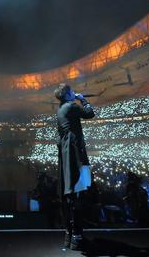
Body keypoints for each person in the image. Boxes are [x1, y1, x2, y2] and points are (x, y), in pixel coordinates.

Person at [54, 83, 95, 250]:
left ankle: (70, 236)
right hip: (75, 155)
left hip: (67, 154)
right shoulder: (71, 106)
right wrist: (83, 100)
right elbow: (90, 114)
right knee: (78, 193)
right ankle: (77, 237)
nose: (74, 93)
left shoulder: (61, 109)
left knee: (70, 195)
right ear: (68, 94)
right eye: (72, 91)